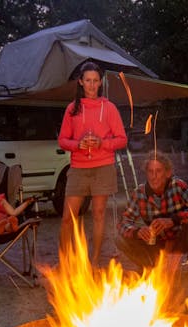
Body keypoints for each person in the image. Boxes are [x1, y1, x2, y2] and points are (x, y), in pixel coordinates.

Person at [57, 61, 128, 264]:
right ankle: (63, 262)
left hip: (103, 166)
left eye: (95, 81)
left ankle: (94, 260)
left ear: (100, 83)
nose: (91, 85)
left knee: (98, 215)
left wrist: (102, 143)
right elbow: (62, 140)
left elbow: (122, 139)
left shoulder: (109, 108)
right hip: (78, 167)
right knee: (67, 217)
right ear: (80, 82)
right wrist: (78, 144)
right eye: (87, 80)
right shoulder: (72, 109)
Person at [116, 152, 188, 274]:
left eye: (158, 171)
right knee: (119, 238)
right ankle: (149, 267)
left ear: (167, 173)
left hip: (179, 239)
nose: (154, 176)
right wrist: (137, 232)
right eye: (150, 171)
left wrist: (174, 220)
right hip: (155, 242)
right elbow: (123, 222)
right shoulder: (139, 192)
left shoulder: (177, 186)